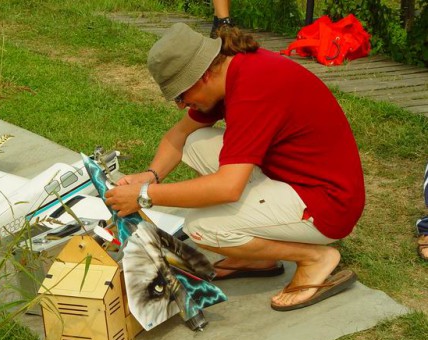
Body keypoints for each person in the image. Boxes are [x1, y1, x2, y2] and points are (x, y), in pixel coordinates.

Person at [104, 23, 366, 311]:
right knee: (196, 140)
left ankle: (314, 258)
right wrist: (151, 175)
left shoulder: (253, 90)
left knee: (203, 227)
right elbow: (178, 136)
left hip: (328, 205)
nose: (181, 105)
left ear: (201, 76)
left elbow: (228, 188)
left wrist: (145, 195)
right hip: (300, 179)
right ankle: (257, 256)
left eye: (180, 94)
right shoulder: (232, 72)